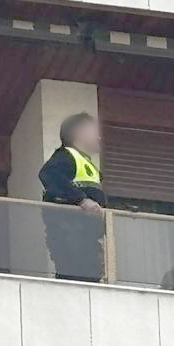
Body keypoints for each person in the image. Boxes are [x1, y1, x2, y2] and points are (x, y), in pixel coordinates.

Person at [38, 112, 106, 281]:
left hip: (86, 238)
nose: (98, 137)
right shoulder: (66, 156)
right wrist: (82, 200)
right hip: (70, 236)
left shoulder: (86, 164)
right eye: (93, 131)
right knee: (75, 281)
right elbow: (49, 175)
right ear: (80, 133)